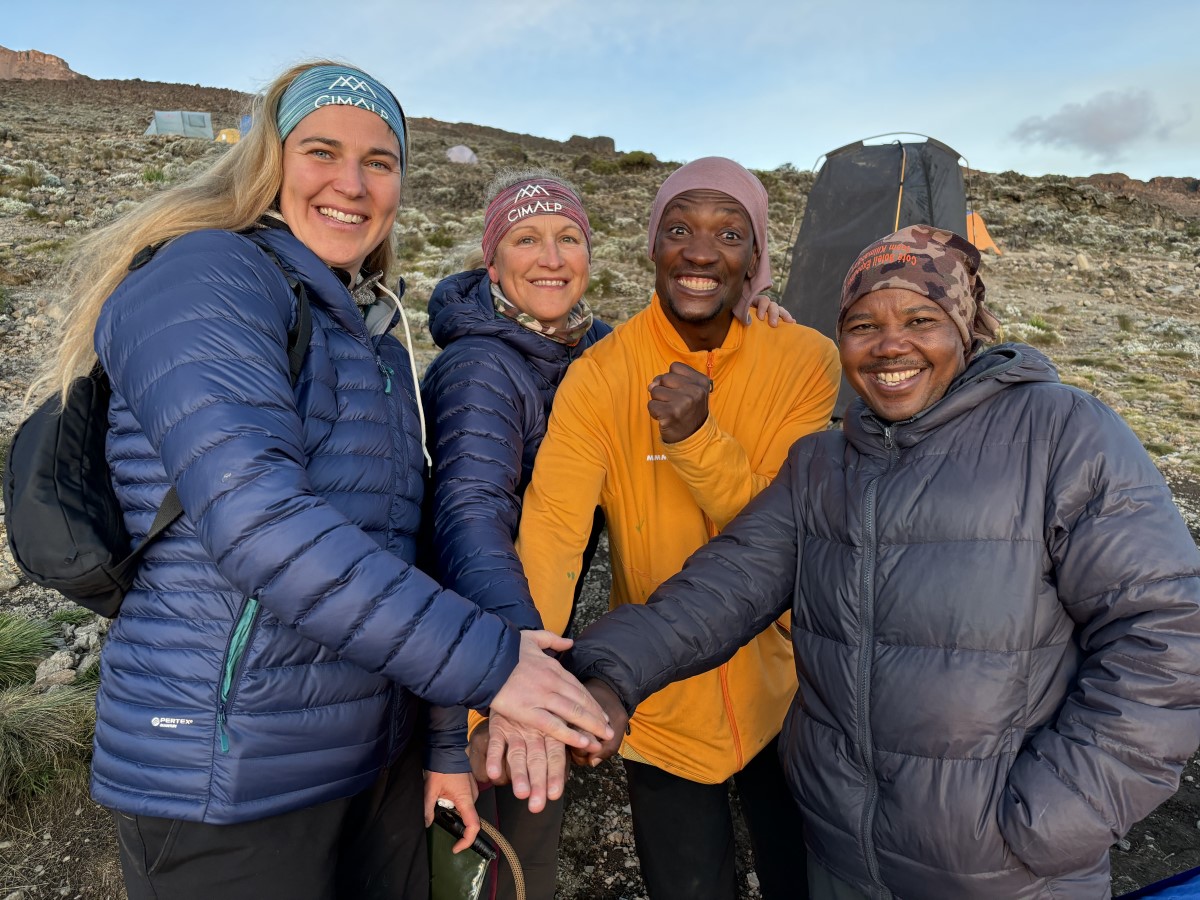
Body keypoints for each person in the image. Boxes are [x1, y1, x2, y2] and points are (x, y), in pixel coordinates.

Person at [34, 61, 610, 900]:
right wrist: (497, 666)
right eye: (322, 150)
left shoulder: (373, 333)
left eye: (380, 161)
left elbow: (416, 551)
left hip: (366, 760)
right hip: (227, 773)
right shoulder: (210, 275)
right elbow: (260, 522)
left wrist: (445, 747)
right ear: (268, 157)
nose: (352, 182)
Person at [564, 224, 1200, 899]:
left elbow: (1167, 636)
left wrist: (1050, 819)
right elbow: (724, 586)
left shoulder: (1062, 434)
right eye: (863, 325)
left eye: (920, 319)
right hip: (843, 857)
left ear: (965, 325)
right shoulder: (823, 463)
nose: (890, 344)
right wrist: (608, 673)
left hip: (1005, 875)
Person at [421, 167, 794, 900]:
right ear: (490, 261)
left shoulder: (592, 346)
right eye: (527, 239)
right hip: (578, 668)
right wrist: (494, 691)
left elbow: (782, 530)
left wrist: (750, 303)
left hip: (770, 687)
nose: (552, 258)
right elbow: (501, 526)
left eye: (568, 238)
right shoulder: (486, 369)